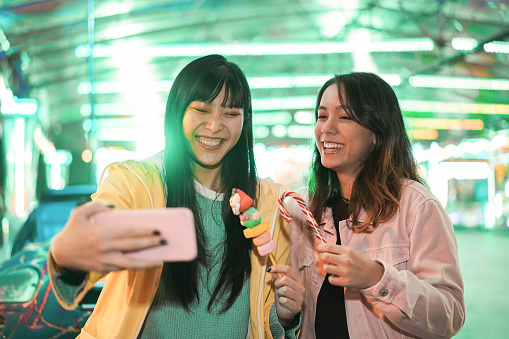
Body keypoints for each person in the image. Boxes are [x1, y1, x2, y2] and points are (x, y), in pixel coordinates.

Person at [48, 54, 303, 339]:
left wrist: (285, 315)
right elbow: (98, 236)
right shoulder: (136, 184)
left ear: (245, 121)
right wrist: (70, 256)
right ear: (178, 111)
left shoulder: (268, 202)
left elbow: (264, 309)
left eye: (230, 114)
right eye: (202, 110)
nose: (214, 125)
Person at [286, 72, 465, 338]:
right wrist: (287, 317)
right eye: (322, 116)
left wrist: (377, 279)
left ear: (377, 132)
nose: (327, 128)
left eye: (344, 117)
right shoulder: (304, 209)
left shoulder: (416, 206)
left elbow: (449, 316)